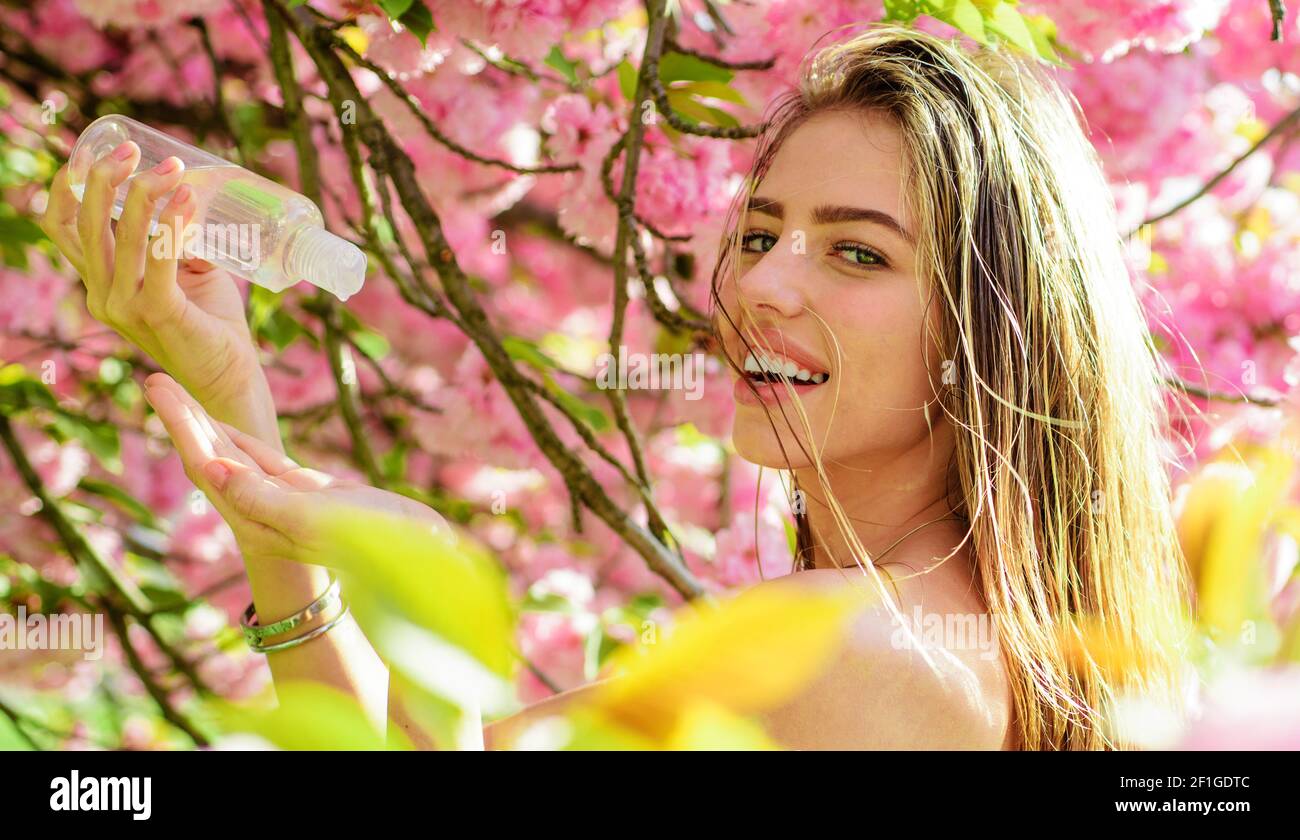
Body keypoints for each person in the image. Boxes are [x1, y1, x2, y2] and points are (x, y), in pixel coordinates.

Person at [40, 25, 1188, 750]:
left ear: (984, 334)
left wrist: (431, 576)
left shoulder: (847, 647)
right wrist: (234, 396)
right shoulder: (968, 639)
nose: (758, 286)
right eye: (762, 231)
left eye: (856, 252)